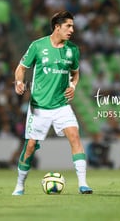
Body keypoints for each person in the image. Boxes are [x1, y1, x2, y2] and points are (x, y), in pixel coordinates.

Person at [11, 11, 93, 195]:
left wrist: (72, 85)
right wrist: (19, 82)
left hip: (62, 105)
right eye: (68, 26)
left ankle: (83, 183)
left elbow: (76, 73)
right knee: (30, 146)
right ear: (57, 27)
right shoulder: (37, 46)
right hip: (39, 107)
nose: (72, 29)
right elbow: (21, 68)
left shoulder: (72, 50)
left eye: (72, 26)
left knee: (75, 137)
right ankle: (20, 184)